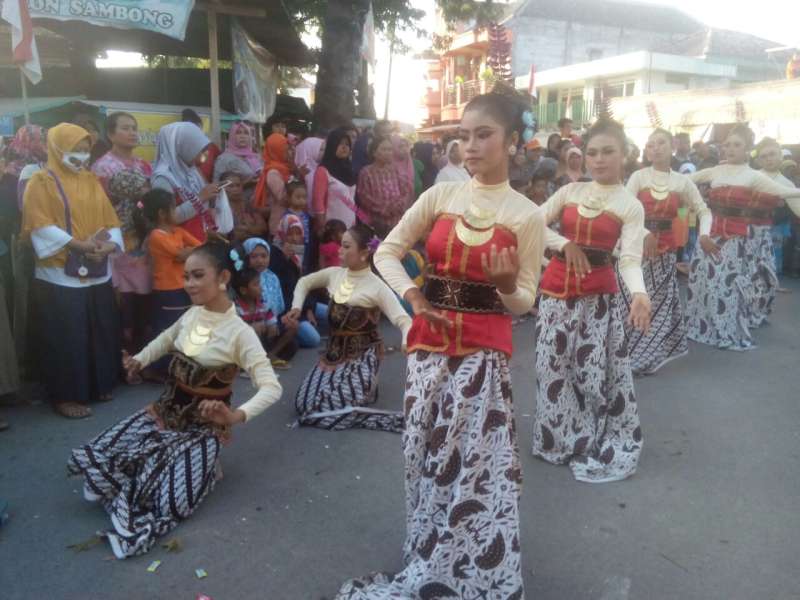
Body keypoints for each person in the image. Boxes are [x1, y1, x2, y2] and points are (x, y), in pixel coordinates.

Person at [335, 88, 545, 599]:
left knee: (473, 461)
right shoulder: (439, 196)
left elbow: (525, 301)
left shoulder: (526, 215)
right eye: (464, 136)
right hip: (428, 348)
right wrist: (411, 295)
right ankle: (428, 547)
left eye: (484, 135)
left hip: (482, 355)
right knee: (423, 450)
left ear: (511, 141)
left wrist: (505, 287)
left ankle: (470, 561)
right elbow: (386, 252)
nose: (470, 146)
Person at [68, 239, 283, 559]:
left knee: (169, 503)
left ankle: (204, 465)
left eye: (198, 275)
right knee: (96, 464)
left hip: (201, 430)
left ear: (223, 277)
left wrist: (235, 416)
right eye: (186, 276)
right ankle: (190, 467)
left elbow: (271, 387)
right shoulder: (192, 314)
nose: (189, 284)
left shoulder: (241, 333)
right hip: (161, 415)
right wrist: (139, 360)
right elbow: (166, 339)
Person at [533, 117, 651, 483]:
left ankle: (585, 436)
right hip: (554, 293)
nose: (599, 160)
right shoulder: (570, 191)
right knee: (552, 368)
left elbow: (629, 259)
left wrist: (640, 294)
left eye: (608, 152)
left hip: (597, 299)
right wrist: (562, 243)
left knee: (590, 372)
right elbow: (531, 223)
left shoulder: (630, 205)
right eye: (593, 153)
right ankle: (556, 440)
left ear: (624, 155)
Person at [21, 123, 123, 419]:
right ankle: (65, 395)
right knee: (66, 335)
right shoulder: (40, 181)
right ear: (56, 148)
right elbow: (38, 224)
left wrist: (108, 245)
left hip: (96, 266)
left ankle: (99, 384)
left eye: (86, 149)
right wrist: (78, 244)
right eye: (75, 149)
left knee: (99, 329)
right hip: (59, 272)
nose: (81, 155)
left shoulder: (90, 180)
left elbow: (110, 220)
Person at [288, 224, 411, 432]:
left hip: (361, 358)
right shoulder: (334, 274)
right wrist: (296, 307)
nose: (339, 251)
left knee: (326, 409)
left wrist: (406, 340)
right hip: (332, 356)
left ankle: (367, 384)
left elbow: (404, 319)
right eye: (341, 245)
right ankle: (363, 391)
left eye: (346, 247)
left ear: (364, 253)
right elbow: (304, 282)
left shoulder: (377, 286)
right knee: (304, 404)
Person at [686, 125, 800, 350]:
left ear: (747, 149)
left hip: (740, 237)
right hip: (710, 234)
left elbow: (788, 193)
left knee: (731, 285)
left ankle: (732, 327)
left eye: (736, 145)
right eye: (727, 144)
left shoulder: (754, 176)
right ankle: (703, 327)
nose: (730, 149)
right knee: (702, 281)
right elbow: (684, 180)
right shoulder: (717, 171)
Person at [622, 129, 711, 375]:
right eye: (651, 144)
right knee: (631, 298)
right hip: (636, 248)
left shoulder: (682, 182)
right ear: (646, 151)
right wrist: (644, 233)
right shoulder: (639, 176)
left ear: (672, 146)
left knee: (657, 303)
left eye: (661, 143)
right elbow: (624, 209)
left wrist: (704, 234)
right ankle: (625, 352)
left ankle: (645, 356)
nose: (656, 148)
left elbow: (703, 210)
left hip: (665, 251)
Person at [143, 188, 201, 378]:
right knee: (167, 330)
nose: (177, 212)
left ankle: (176, 366)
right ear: (162, 213)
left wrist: (186, 253)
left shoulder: (178, 231)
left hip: (181, 286)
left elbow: (201, 247)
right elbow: (182, 254)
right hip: (166, 290)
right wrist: (185, 253)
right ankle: (159, 369)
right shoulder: (156, 236)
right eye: (174, 208)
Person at [107, 170, 153, 376]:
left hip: (137, 277)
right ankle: (132, 367)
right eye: (141, 185)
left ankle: (137, 366)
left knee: (136, 324)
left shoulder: (142, 212)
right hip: (129, 278)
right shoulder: (117, 215)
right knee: (131, 325)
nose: (146, 189)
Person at [151, 122, 223, 243]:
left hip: (197, 241)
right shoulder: (163, 178)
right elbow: (166, 218)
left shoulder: (191, 170)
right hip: (178, 247)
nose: (203, 156)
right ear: (183, 148)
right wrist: (200, 198)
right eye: (199, 150)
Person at [271, 214, 326, 348]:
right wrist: (284, 259)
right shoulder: (273, 254)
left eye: (298, 233)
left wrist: (308, 309)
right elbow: (284, 291)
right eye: (290, 234)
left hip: (303, 303)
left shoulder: (299, 254)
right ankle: (291, 335)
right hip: (288, 310)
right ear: (282, 233)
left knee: (336, 313)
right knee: (314, 339)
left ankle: (309, 324)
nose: (295, 238)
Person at [242, 237, 298, 363]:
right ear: (246, 257)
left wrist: (280, 320)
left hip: (270, 321)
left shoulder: (272, 277)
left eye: (264, 256)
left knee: (293, 328)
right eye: (254, 256)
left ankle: (270, 355)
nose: (259, 260)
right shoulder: (242, 279)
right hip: (251, 323)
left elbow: (278, 307)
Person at [756, 138, 796, 288]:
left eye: (772, 154)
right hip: (748, 232)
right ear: (759, 160)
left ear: (780, 156)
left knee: (772, 260)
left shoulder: (787, 184)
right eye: (764, 156)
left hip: (774, 228)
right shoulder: (752, 176)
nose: (768, 159)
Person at [357, 136, 413, 238]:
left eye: (390, 149)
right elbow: (364, 197)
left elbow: (405, 191)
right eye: (384, 149)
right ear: (374, 153)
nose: (389, 153)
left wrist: (400, 205)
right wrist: (385, 209)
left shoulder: (394, 170)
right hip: (377, 224)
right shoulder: (366, 172)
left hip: (396, 221)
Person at [312, 128, 358, 235]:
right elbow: (318, 201)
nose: (344, 147)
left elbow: (352, 200)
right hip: (330, 227)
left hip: (350, 224)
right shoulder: (323, 170)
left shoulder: (350, 170)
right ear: (332, 145)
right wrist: (322, 227)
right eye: (340, 143)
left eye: (347, 144)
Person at [91, 112, 152, 193]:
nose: (132, 133)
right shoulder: (102, 166)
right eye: (125, 129)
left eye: (134, 129)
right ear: (110, 135)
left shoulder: (144, 165)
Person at [253, 132, 291, 236]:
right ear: (276, 151)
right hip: (280, 224)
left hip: (289, 222)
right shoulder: (273, 172)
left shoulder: (285, 168)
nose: (289, 153)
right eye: (285, 150)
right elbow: (284, 198)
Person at [234, 267, 280, 350]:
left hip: (262, 340)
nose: (261, 288)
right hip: (244, 344)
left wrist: (272, 326)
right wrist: (251, 327)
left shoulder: (263, 303)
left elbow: (271, 320)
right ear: (243, 290)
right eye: (256, 284)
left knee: (291, 338)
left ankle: (271, 353)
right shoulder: (236, 308)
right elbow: (235, 332)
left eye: (259, 283)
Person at [212, 121, 263, 188]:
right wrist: (244, 183)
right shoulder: (224, 159)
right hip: (238, 194)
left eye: (246, 133)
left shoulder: (256, 157)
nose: (242, 136)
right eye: (238, 133)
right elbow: (216, 186)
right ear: (232, 136)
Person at [224, 171, 268, 243]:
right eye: (230, 186)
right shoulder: (220, 209)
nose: (235, 189)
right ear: (223, 189)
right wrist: (252, 228)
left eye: (238, 185)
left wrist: (248, 229)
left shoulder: (248, 205)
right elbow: (226, 235)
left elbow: (263, 227)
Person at [182, 109, 220, 183]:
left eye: (195, 127)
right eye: (188, 128)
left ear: (200, 126)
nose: (193, 131)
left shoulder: (211, 147)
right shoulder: (181, 149)